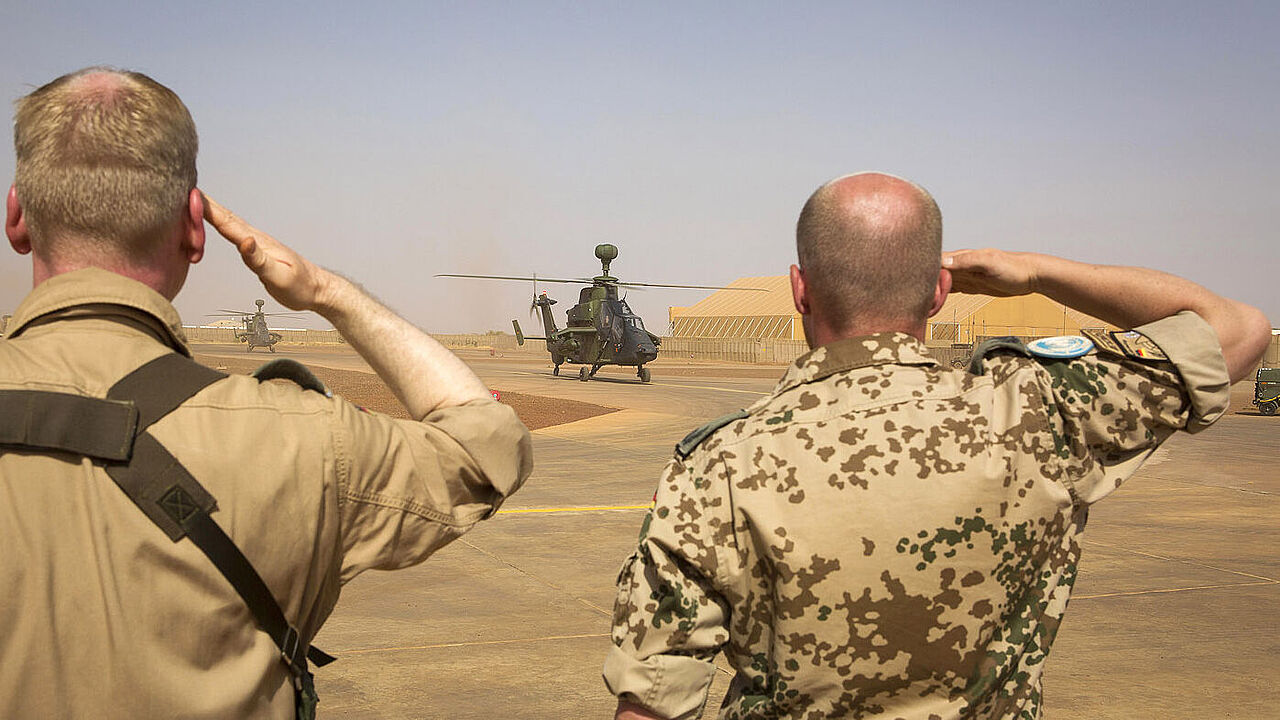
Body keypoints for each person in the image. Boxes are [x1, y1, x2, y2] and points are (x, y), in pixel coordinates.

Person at [604, 172, 1271, 719]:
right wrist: (1036, 272)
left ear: (800, 290)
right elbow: (1237, 328)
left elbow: (654, 707)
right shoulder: (1034, 405)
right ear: (941, 291)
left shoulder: (719, 465)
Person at [0, 67, 531, 718]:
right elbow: (486, 446)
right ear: (196, 228)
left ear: (17, 216)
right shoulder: (304, 438)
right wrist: (328, 294)